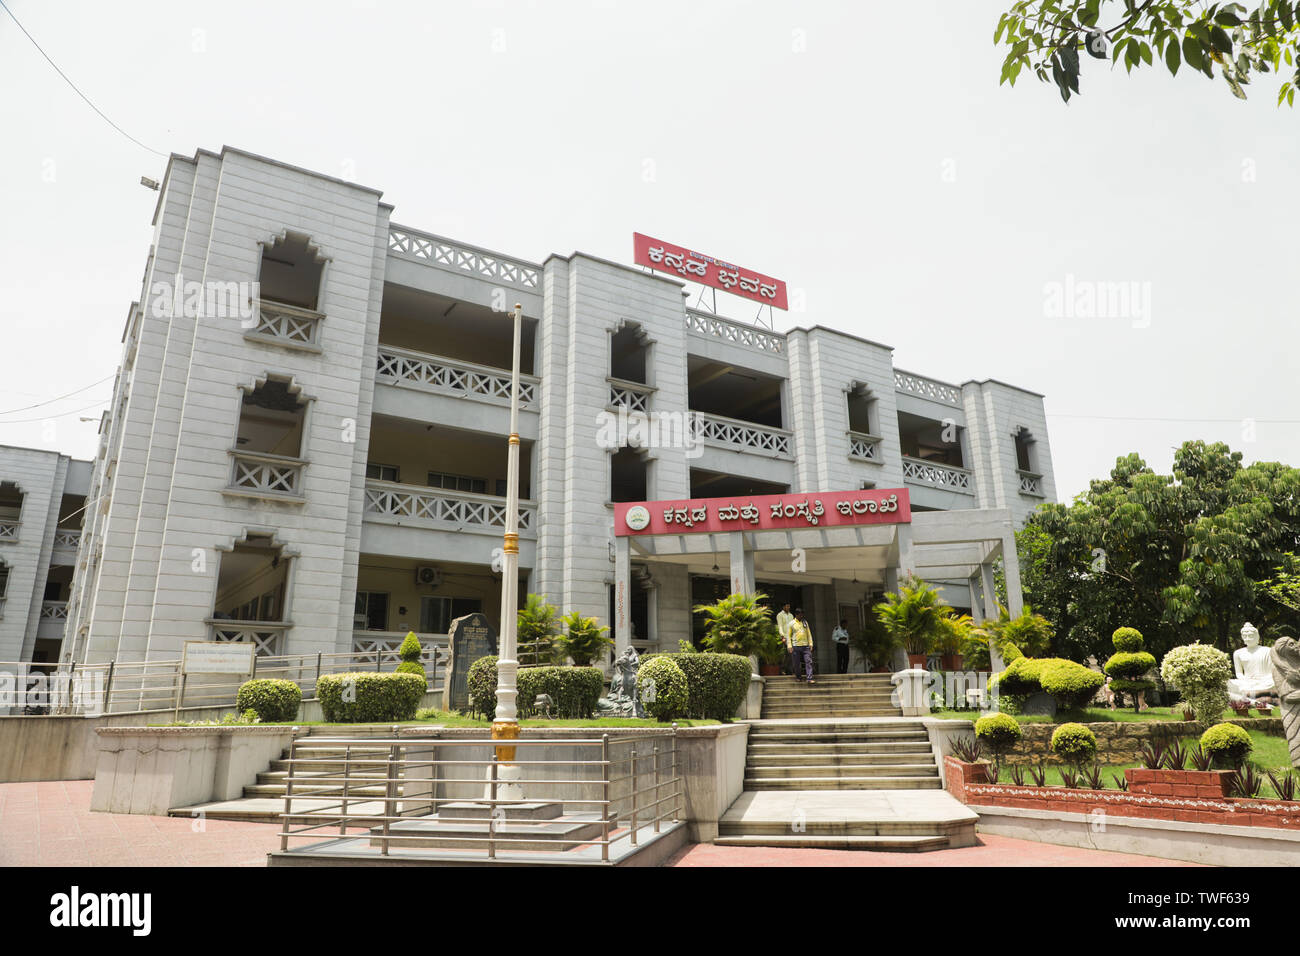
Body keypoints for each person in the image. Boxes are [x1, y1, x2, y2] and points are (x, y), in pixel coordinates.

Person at [789, 608, 815, 684]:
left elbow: (809, 634)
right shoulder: (791, 623)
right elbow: (788, 635)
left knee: (808, 661)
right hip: (796, 646)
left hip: (805, 646)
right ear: (796, 615)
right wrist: (789, 646)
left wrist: (811, 644)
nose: (801, 616)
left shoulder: (805, 622)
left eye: (802, 614)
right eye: (800, 614)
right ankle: (798, 677)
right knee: (796, 663)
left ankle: (809, 678)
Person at [776, 602, 795, 675]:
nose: (788, 608)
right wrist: (782, 636)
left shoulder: (791, 615)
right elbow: (780, 626)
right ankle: (783, 669)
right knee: (788, 653)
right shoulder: (780, 615)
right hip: (785, 637)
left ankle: (789, 670)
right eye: (787, 606)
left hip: (792, 637)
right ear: (783, 607)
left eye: (789, 606)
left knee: (791, 654)